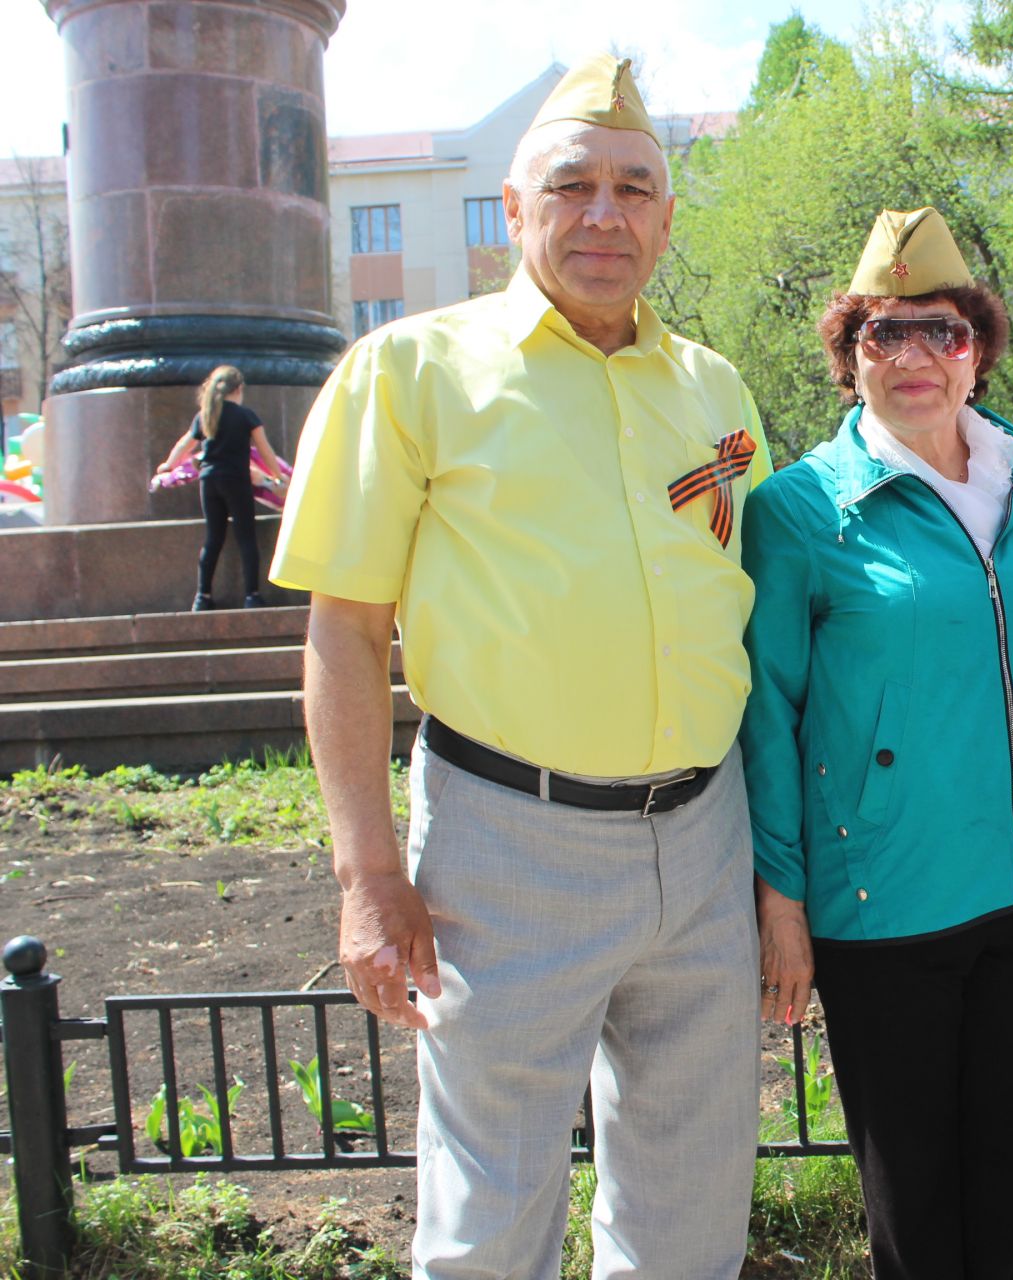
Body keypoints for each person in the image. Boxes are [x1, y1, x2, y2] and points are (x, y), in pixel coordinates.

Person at [268, 58, 769, 1278]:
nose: (606, 213)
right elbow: (345, 633)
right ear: (514, 209)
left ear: (665, 215)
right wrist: (367, 871)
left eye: (635, 188)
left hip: (704, 838)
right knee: (490, 1223)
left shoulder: (712, 384)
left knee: (691, 1216)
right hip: (509, 843)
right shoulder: (410, 373)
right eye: (575, 184)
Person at [741, 207, 1013, 1280]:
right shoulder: (800, 510)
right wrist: (781, 896)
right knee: (916, 1201)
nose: (915, 357)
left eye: (942, 332)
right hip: (883, 910)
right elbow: (766, 711)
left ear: (979, 350)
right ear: (848, 355)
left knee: (1009, 1181)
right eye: (885, 334)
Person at [155, 365, 284, 610]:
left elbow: (185, 444)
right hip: (237, 480)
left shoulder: (205, 415)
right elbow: (266, 451)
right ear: (239, 389)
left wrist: (168, 465)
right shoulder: (246, 416)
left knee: (213, 538)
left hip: (209, 481)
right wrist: (277, 477)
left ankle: (202, 597)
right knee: (246, 536)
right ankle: (252, 596)